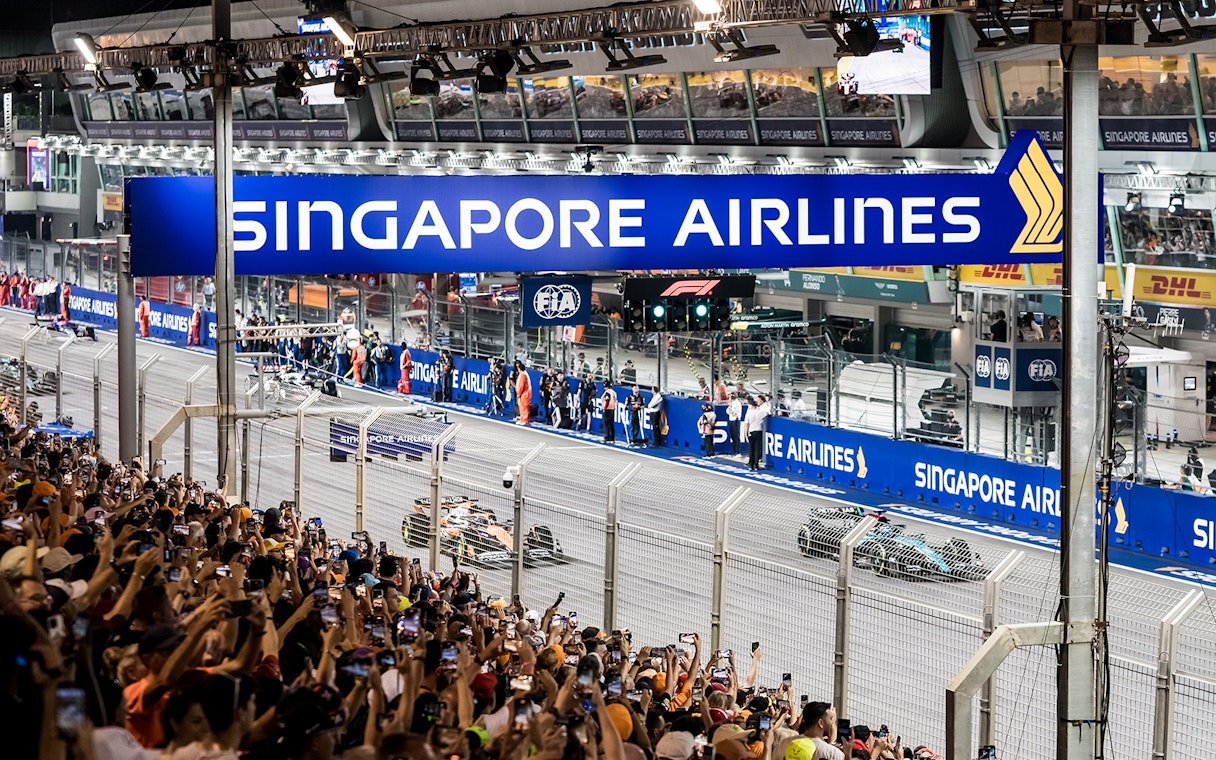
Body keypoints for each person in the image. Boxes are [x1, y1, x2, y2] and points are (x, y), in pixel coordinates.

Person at [744, 395, 770, 471]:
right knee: (757, 449)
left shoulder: (749, 413)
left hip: (751, 432)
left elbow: (746, 424)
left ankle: (751, 464)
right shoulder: (761, 412)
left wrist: (746, 435)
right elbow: (768, 414)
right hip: (759, 431)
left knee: (751, 449)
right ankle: (756, 464)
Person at [514, 359, 532, 425]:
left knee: (524, 407)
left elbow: (521, 386)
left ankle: (525, 420)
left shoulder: (523, 375)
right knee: (521, 407)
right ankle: (522, 419)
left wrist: (518, 394)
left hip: (525, 393)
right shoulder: (523, 374)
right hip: (524, 393)